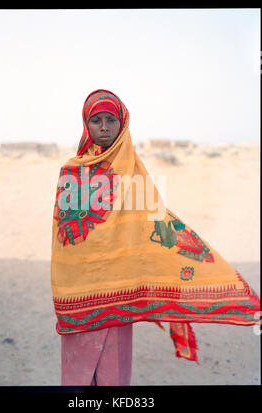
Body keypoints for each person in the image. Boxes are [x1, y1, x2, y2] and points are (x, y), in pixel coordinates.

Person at [51, 89, 260, 386]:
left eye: (111, 120)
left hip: (121, 289)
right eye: (96, 120)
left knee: (115, 374)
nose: (105, 127)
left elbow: (154, 223)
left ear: (122, 124)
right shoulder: (71, 172)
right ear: (86, 124)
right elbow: (64, 238)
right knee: (77, 377)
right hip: (79, 292)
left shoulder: (133, 173)